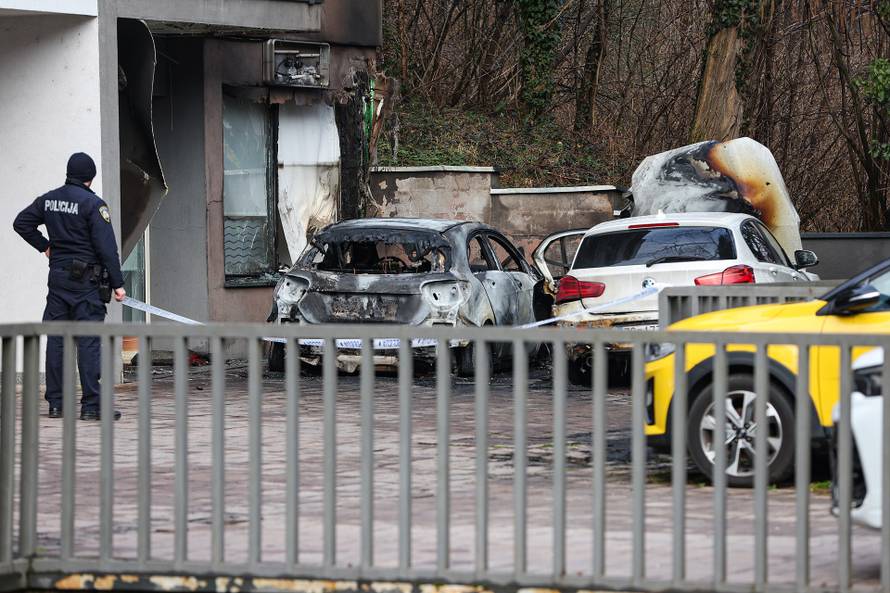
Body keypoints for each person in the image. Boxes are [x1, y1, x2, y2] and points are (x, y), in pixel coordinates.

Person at [13, 152, 127, 420]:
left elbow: (21, 223)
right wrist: (118, 284)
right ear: (91, 177)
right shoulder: (93, 204)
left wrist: (45, 247)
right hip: (86, 283)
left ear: (69, 173)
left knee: (57, 340)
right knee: (87, 342)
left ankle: (56, 404)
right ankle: (91, 407)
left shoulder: (49, 200)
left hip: (58, 280)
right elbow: (107, 249)